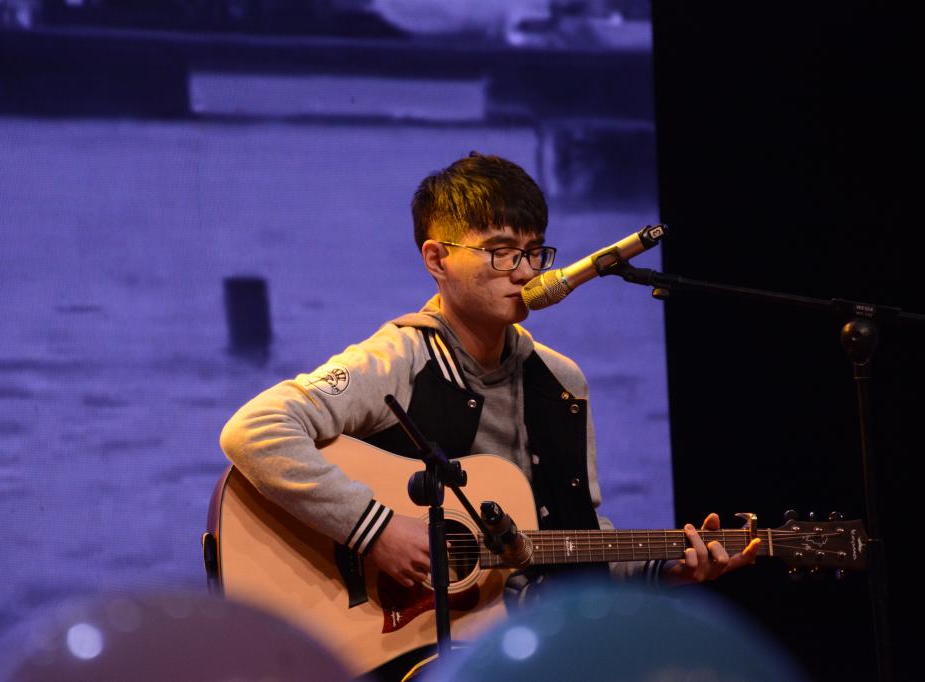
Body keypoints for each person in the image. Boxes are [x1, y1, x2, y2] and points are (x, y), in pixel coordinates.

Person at [219, 152, 757, 608]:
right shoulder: (398, 359)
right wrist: (375, 529)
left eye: (534, 251)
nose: (525, 272)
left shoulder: (561, 381)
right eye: (501, 252)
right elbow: (255, 429)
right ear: (437, 259)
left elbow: (577, 543)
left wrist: (665, 571)